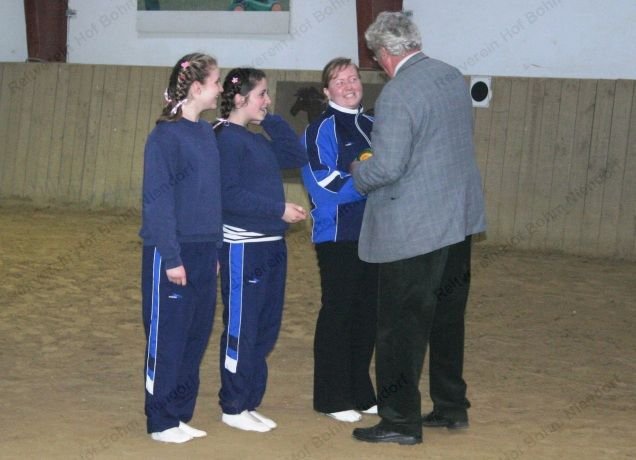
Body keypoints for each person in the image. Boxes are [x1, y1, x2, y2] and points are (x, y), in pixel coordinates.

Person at [350, 12, 487, 445]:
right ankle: (450, 405)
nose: (378, 64)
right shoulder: (451, 76)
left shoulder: (397, 93)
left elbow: (387, 167)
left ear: (385, 53)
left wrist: (358, 170)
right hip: (457, 220)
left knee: (399, 328)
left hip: (414, 230)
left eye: (376, 57)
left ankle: (399, 421)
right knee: (447, 320)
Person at [214, 68, 307, 432]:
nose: (267, 100)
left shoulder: (254, 139)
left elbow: (294, 155)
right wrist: (277, 209)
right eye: (261, 95)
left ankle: (249, 401)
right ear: (240, 99)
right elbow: (229, 195)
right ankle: (233, 405)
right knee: (243, 327)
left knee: (265, 328)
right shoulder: (225, 138)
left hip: (271, 246)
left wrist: (270, 117)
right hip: (243, 247)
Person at [139, 53, 223, 444]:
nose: (220, 89)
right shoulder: (164, 137)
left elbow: (211, 197)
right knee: (168, 338)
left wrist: (215, 249)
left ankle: (179, 413)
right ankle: (160, 421)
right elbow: (157, 202)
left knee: (194, 336)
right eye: (216, 82)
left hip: (205, 250)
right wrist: (171, 257)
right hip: (173, 252)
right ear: (197, 88)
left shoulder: (206, 133)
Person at [300, 58, 378, 423]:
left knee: (368, 314)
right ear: (327, 91)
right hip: (338, 235)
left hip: (377, 235)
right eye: (340, 81)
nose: (349, 85)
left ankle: (360, 391)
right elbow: (323, 185)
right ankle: (332, 397)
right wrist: (369, 182)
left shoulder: (376, 125)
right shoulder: (320, 129)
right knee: (339, 312)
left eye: (353, 78)